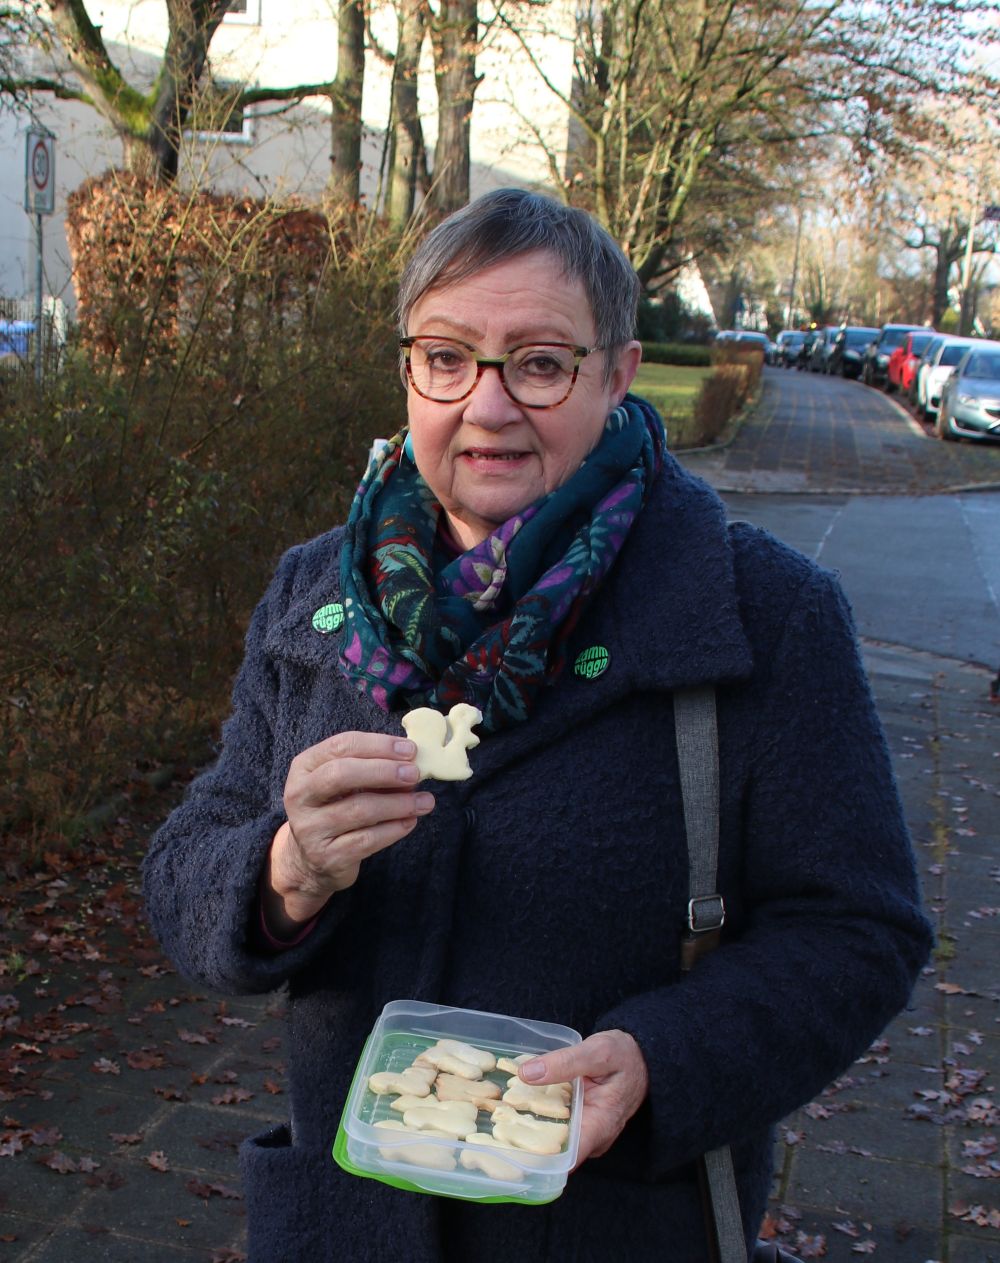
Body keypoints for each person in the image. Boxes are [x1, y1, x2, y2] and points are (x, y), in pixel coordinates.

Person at [143, 188, 932, 1263]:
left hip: (616, 1229)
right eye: (448, 356)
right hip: (346, 1226)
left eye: (541, 362)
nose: (489, 404)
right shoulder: (313, 595)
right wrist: (284, 871)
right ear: (409, 372)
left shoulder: (761, 614)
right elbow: (189, 859)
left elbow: (858, 930)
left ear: (617, 374)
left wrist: (662, 1061)